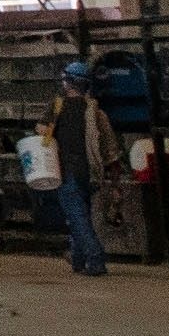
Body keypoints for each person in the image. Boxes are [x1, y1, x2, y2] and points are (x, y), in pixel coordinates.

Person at [49, 60, 114, 277]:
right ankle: (77, 259)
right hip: (90, 171)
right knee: (80, 213)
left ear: (67, 82)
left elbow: (44, 133)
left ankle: (95, 258)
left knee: (76, 217)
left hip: (67, 170)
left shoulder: (58, 106)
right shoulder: (94, 110)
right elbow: (109, 144)